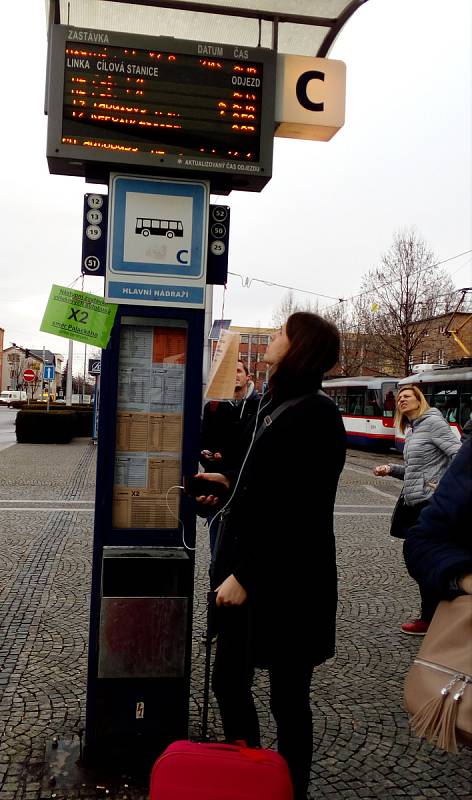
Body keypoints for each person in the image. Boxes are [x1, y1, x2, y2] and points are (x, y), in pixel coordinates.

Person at [195, 312, 346, 800]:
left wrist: (245, 574)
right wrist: (228, 486)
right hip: (257, 575)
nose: (273, 338)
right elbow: (268, 488)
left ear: (299, 347)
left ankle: (288, 789)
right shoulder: (278, 404)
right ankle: (254, 777)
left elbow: (299, 512)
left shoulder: (316, 413)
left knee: (288, 701)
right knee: (228, 685)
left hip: (288, 586)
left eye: (282, 332)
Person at [373, 385, 461, 635]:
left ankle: (431, 617)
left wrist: (441, 488)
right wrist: (391, 468)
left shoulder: (433, 423)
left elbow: (459, 456)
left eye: (407, 396)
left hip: (430, 502)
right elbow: (415, 471)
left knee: (422, 558)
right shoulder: (413, 430)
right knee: (422, 559)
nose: (402, 400)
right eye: (399, 397)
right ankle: (437, 614)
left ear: (419, 400)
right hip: (414, 502)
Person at [200, 360, 260, 553]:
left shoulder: (260, 408)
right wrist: (206, 455)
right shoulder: (213, 407)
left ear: (248, 377)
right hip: (218, 494)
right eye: (229, 370)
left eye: (238, 370)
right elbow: (203, 442)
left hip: (247, 494)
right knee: (217, 555)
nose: (234, 374)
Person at [403, 437, 472, 601]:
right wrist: (464, 577)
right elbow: (423, 541)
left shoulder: (434, 423)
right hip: (424, 497)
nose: (400, 408)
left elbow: (453, 450)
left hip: (426, 493)